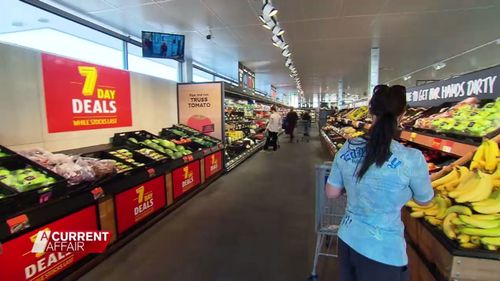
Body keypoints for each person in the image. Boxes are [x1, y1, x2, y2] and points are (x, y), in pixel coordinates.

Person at [325, 85, 434, 281]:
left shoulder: (348, 147)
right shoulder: (411, 158)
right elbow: (425, 200)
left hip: (348, 238)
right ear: (402, 114)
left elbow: (332, 192)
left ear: (370, 112)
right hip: (384, 250)